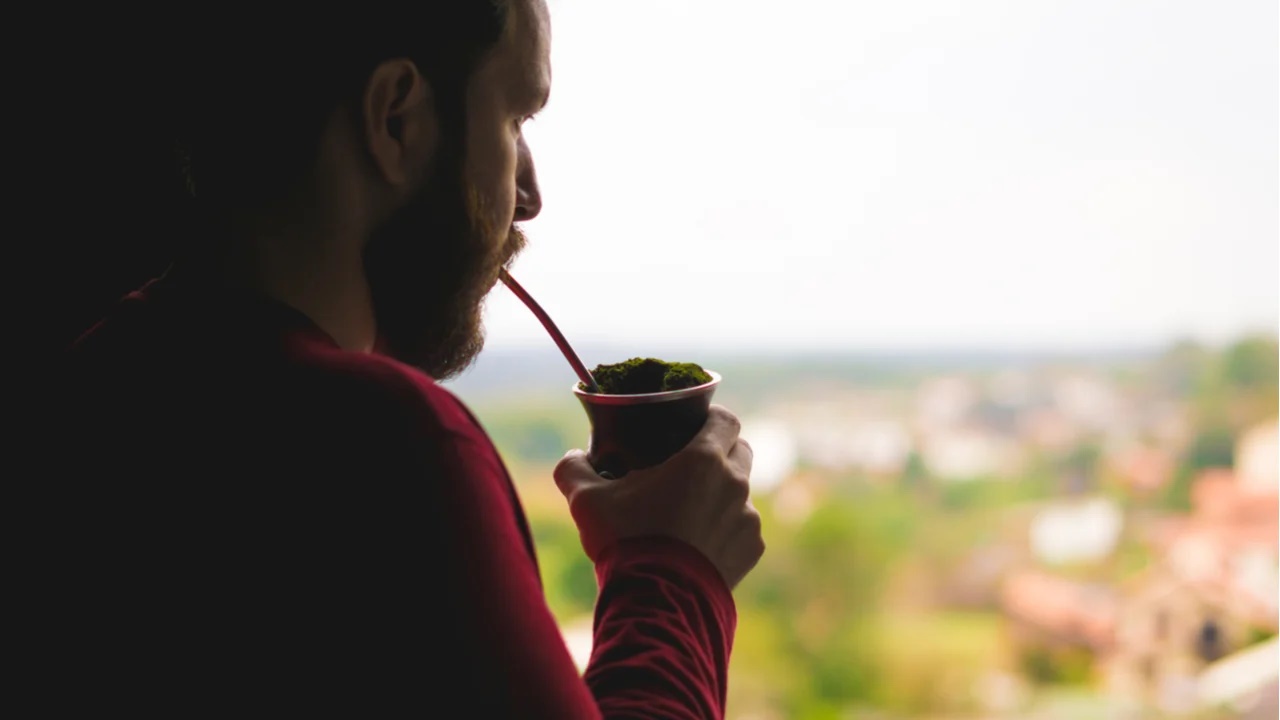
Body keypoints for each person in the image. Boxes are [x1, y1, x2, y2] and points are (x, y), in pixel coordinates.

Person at [42, 1, 764, 716]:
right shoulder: (384, 439)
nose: (528, 197)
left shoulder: (86, 379)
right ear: (396, 119)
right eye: (515, 119)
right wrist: (672, 568)